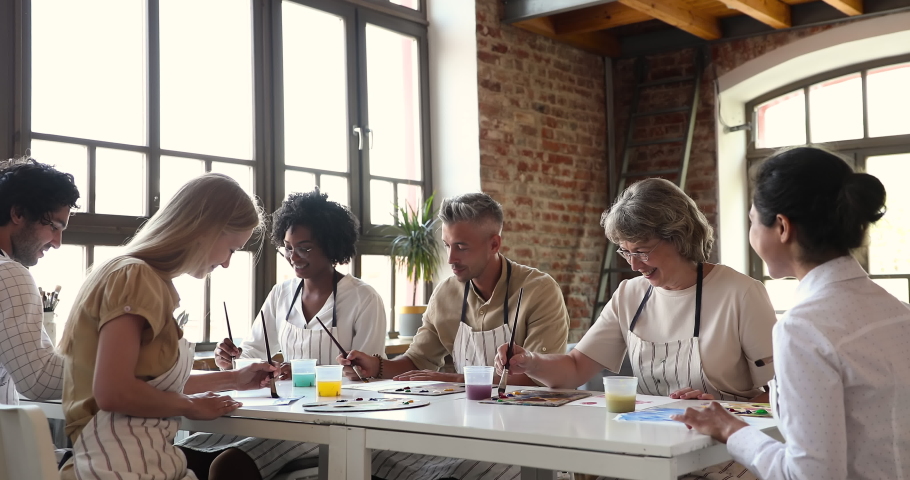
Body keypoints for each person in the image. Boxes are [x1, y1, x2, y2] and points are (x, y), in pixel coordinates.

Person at [496, 178, 777, 479]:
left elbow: (779, 397)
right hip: (648, 451)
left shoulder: (741, 293)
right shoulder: (630, 295)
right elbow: (575, 367)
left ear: (679, 237)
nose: (633, 264)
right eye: (624, 252)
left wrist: (722, 409)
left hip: (722, 455)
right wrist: (530, 361)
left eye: (642, 251)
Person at [673, 147, 910, 479]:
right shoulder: (897, 311)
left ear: (782, 227)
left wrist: (732, 431)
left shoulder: (804, 329)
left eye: (753, 221)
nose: (752, 233)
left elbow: (809, 474)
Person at [59, 173, 276, 480]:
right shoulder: (136, 277)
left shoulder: (140, 277)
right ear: (206, 229)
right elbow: (113, 392)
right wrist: (189, 406)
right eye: (231, 249)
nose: (227, 264)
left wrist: (234, 379)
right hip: (117, 466)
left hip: (136, 460)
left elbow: (147, 386)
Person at [340, 192, 570, 480]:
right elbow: (417, 361)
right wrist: (374, 366)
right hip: (463, 430)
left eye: (461, 247)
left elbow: (537, 378)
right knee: (373, 456)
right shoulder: (447, 293)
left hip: (528, 435)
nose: (450, 258)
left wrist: (455, 379)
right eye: (447, 245)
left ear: (494, 243)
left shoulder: (539, 290)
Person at [179, 189, 387, 480]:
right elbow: (252, 353)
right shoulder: (281, 294)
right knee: (187, 455)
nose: (294, 257)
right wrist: (230, 361)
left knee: (228, 467)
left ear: (331, 245)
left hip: (333, 421)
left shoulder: (363, 299)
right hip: (280, 413)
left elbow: (365, 376)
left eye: (305, 248)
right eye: (288, 248)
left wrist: (305, 374)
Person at [0, 157, 79, 405]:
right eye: (54, 227)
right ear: (18, 213)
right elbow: (39, 379)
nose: (57, 243)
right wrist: (125, 361)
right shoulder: (8, 274)